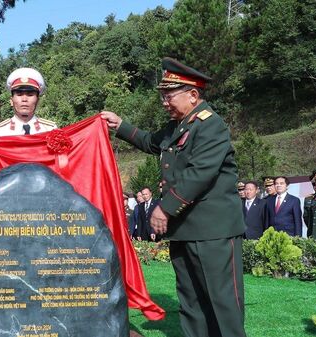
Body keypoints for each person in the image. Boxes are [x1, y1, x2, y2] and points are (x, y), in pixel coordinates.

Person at [101, 57, 247, 337]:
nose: (164, 102)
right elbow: (151, 142)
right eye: (163, 96)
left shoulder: (210, 125)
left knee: (222, 300)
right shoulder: (179, 126)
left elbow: (200, 173)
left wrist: (164, 209)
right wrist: (120, 125)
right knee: (190, 300)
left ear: (193, 95)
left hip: (212, 230)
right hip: (184, 229)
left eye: (170, 96)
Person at [0, 67, 57, 136]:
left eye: (30, 95)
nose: (24, 99)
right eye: (19, 94)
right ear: (11, 101)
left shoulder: (50, 130)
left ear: (38, 101)